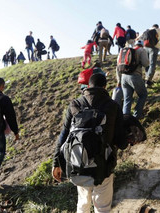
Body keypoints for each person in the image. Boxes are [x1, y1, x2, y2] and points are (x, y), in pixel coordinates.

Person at [52, 73, 127, 212]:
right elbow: (122, 142)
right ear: (105, 86)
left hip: (78, 163)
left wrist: (56, 163)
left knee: (83, 204)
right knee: (102, 207)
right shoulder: (113, 105)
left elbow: (63, 135)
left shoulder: (75, 104)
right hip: (104, 166)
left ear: (88, 85)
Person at [120, 42, 150, 119]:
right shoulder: (141, 50)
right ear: (141, 45)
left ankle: (125, 119)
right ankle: (136, 116)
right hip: (135, 76)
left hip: (123, 76)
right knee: (143, 95)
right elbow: (146, 64)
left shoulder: (125, 51)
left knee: (127, 99)